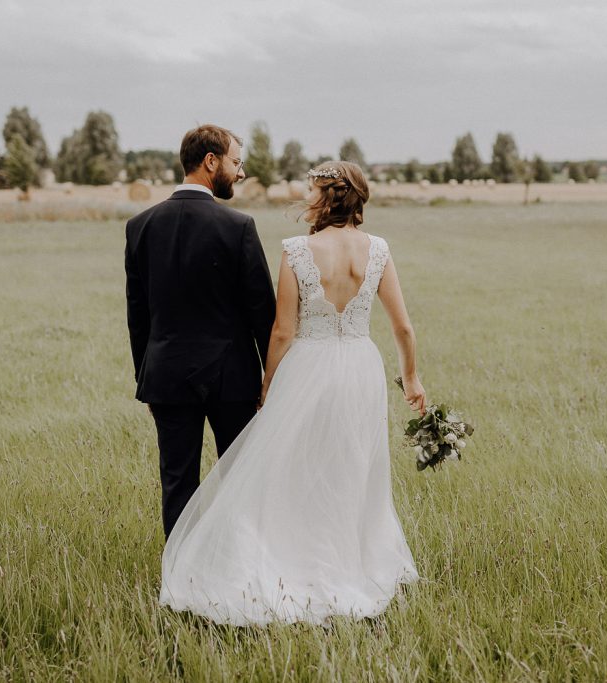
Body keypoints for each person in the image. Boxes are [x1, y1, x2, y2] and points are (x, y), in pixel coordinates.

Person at [158, 160, 426, 625]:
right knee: (351, 468)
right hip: (361, 369)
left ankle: (291, 562)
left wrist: (268, 386)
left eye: (310, 190)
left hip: (309, 366)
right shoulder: (378, 250)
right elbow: (402, 326)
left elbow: (282, 331)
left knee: (298, 469)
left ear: (325, 197)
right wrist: (413, 379)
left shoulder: (298, 251)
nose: (306, 198)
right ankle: (350, 563)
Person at [125, 124, 277, 537]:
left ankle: (179, 579)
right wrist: (273, 378)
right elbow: (263, 313)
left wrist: (147, 378)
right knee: (241, 481)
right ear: (211, 161)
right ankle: (239, 571)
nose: (241, 173)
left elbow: (138, 317)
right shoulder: (238, 226)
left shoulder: (139, 226)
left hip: (167, 377)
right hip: (234, 380)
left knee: (177, 484)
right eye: (236, 162)